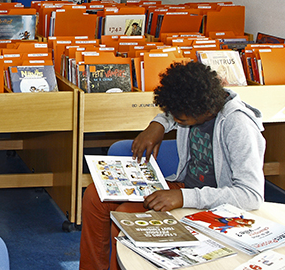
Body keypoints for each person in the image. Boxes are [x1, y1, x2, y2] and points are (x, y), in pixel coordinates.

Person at [79, 60, 265, 270]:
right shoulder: (200, 103)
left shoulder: (238, 125)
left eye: (182, 121)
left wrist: (183, 197)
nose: (176, 121)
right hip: (184, 186)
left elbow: (251, 195)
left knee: (125, 219)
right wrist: (158, 124)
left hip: (212, 202)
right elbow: (175, 114)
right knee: (95, 196)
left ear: (204, 110)